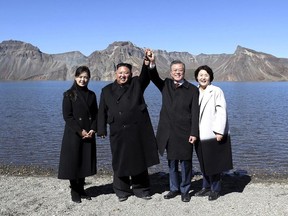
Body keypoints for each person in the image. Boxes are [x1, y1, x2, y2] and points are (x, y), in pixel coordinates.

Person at [97, 61, 159, 202]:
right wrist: (101, 129)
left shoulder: (136, 84)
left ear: (131, 74)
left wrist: (146, 62)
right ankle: (122, 191)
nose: (123, 75)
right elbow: (102, 110)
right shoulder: (106, 90)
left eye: (126, 73)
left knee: (139, 159)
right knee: (120, 160)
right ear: (116, 74)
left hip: (137, 130)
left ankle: (141, 189)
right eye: (120, 73)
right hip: (117, 131)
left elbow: (145, 76)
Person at [146, 50, 199, 202]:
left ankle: (185, 190)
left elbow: (195, 113)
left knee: (186, 163)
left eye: (180, 70)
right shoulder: (166, 85)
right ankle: (174, 189)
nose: (177, 73)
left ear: (184, 72)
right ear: (170, 72)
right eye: (175, 70)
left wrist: (194, 132)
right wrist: (152, 62)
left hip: (185, 132)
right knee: (172, 163)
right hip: (168, 132)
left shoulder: (192, 90)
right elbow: (153, 76)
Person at [58, 66, 98, 203]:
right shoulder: (69, 94)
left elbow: (95, 114)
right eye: (80, 77)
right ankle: (74, 190)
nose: (83, 79)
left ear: (89, 78)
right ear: (75, 77)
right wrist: (80, 131)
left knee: (84, 161)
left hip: (88, 133)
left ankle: (81, 188)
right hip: (74, 133)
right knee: (73, 162)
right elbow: (67, 116)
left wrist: (93, 129)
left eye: (85, 77)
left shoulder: (92, 95)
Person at [194, 65, 233, 201]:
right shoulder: (195, 92)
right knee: (203, 162)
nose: (203, 77)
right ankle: (205, 187)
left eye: (206, 75)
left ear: (210, 77)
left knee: (214, 162)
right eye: (200, 75)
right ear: (196, 77)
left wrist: (219, 131)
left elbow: (221, 111)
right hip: (198, 134)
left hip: (211, 133)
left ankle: (215, 189)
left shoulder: (216, 91)